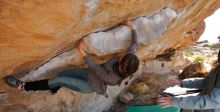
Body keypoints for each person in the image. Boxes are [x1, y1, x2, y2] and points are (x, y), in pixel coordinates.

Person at [4, 21, 139, 97]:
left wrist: (82, 52)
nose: (122, 55)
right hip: (88, 74)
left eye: (122, 58)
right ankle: (54, 87)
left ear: (122, 66)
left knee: (59, 79)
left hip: (90, 85)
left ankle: (24, 87)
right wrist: (133, 28)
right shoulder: (129, 59)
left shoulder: (112, 80)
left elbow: (96, 68)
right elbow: (134, 45)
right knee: (63, 75)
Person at [157, 36, 220, 112]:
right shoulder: (218, 68)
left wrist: (174, 101)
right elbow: (206, 82)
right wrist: (182, 82)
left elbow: (211, 101)